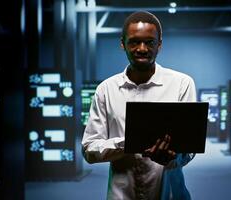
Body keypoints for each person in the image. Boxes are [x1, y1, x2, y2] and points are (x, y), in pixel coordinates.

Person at [82, 11, 197, 200]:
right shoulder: (106, 89)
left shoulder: (182, 84)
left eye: (150, 42)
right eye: (134, 41)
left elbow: (189, 149)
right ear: (123, 44)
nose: (142, 48)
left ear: (159, 45)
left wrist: (171, 158)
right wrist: (129, 142)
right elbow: (89, 149)